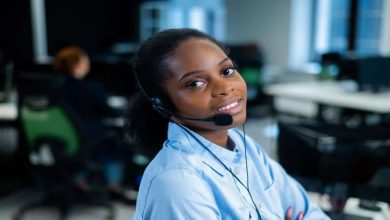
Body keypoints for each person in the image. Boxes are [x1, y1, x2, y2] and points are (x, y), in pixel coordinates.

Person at [126, 29, 330, 219]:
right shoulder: (177, 182)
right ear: (164, 105)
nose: (224, 87)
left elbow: (309, 211)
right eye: (195, 83)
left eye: (226, 71)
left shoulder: (244, 145)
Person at [53, 46, 133, 204]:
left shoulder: (55, 87)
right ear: (77, 63)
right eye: (84, 59)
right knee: (116, 145)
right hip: (90, 140)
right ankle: (114, 187)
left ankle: (79, 180)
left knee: (84, 147)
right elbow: (111, 113)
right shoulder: (90, 88)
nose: (87, 62)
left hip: (63, 143)